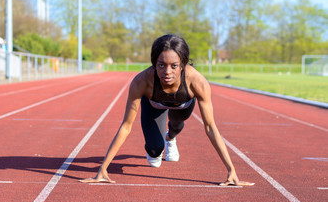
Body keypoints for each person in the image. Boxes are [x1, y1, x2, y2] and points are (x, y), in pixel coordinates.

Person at [79, 34, 254, 186]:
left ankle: (171, 137)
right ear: (154, 63)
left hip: (183, 105)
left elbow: (210, 127)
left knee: (177, 125)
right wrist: (102, 169)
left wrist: (231, 170)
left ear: (183, 64)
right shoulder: (142, 82)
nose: (167, 72)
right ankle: (160, 144)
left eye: (174, 66)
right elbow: (126, 126)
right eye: (161, 65)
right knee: (155, 152)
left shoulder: (197, 82)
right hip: (154, 105)